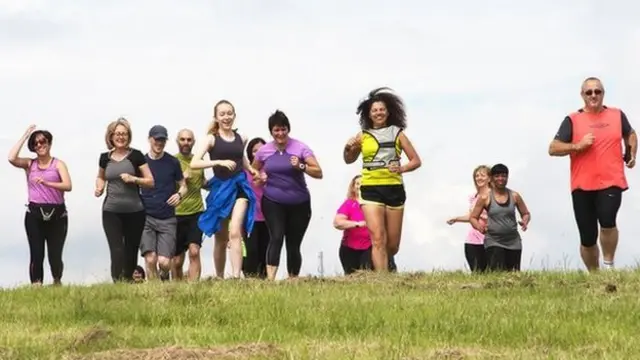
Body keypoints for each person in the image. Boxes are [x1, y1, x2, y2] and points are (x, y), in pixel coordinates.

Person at [548, 77, 636, 271]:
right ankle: (595, 276)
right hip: (582, 184)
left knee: (607, 219)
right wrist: (577, 146)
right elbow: (553, 148)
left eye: (598, 91)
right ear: (582, 95)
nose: (593, 95)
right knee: (587, 237)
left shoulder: (616, 115)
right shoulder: (572, 119)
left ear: (603, 93)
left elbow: (630, 133)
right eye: (589, 92)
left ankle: (609, 264)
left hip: (611, 180)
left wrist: (631, 153)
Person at [342, 87, 422, 272]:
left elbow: (416, 161)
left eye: (381, 109)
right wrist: (348, 147)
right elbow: (349, 159)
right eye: (374, 110)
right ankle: (382, 281)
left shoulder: (398, 133)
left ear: (388, 112)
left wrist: (401, 168)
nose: (378, 113)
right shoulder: (362, 135)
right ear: (369, 114)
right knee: (378, 238)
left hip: (394, 188)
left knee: (392, 245)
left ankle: (385, 265)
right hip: (370, 189)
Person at [251, 110, 323, 281]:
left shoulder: (300, 148)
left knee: (293, 243)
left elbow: (318, 172)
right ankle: (270, 279)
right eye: (276, 130)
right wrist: (259, 178)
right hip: (272, 201)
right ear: (271, 132)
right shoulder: (264, 151)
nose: (280, 133)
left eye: (283, 129)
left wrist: (301, 166)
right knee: (276, 237)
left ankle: (292, 279)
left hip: (299, 202)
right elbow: (254, 171)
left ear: (288, 129)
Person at [191, 100, 259, 279]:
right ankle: (220, 277)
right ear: (216, 117)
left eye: (229, 113)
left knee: (235, 231)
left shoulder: (241, 137)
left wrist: (250, 169)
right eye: (222, 114)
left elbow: (240, 157)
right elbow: (194, 162)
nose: (226, 117)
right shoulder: (211, 139)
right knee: (220, 239)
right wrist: (217, 162)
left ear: (234, 115)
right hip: (220, 189)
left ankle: (236, 276)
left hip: (240, 186)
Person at [8, 125, 72, 286]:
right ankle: (37, 285)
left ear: (49, 143)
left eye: (43, 141)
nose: (40, 145)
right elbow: (11, 158)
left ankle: (57, 280)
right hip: (34, 214)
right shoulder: (30, 164)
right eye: (35, 143)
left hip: (57, 214)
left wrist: (48, 183)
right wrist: (25, 136)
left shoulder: (58, 164)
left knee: (54, 255)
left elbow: (68, 185)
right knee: (37, 253)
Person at [96, 117, 154, 283]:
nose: (121, 137)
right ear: (111, 136)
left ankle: (128, 281)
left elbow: (151, 181)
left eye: (124, 134)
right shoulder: (104, 158)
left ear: (129, 136)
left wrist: (134, 179)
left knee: (131, 250)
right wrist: (99, 187)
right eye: (117, 134)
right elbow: (100, 177)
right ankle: (117, 283)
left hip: (135, 211)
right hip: (111, 210)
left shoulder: (136, 156)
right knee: (117, 249)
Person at [140, 125, 187, 281]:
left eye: (162, 140)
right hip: (146, 216)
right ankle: (153, 292)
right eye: (156, 139)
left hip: (167, 217)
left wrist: (179, 195)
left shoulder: (172, 162)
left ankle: (164, 276)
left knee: (164, 262)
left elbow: (183, 185)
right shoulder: (141, 162)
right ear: (149, 140)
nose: (159, 143)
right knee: (150, 259)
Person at [470, 164, 530, 272]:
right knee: (498, 273)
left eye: (503, 176)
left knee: (513, 274)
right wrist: (479, 227)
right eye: (497, 176)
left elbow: (525, 213)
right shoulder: (485, 197)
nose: (501, 179)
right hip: (494, 241)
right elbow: (473, 217)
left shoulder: (515, 195)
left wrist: (525, 222)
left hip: (513, 241)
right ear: (492, 178)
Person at [171, 129, 207, 281]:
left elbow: (203, 182)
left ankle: (194, 289)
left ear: (193, 142)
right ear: (177, 141)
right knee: (177, 260)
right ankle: (177, 289)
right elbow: (164, 186)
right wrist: (180, 179)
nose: (186, 143)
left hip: (197, 212)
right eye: (183, 139)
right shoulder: (171, 161)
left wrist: (219, 186)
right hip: (176, 213)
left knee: (194, 251)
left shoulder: (199, 161)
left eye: (189, 140)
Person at [446, 165, 491, 273]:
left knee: (491, 271)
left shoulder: (494, 196)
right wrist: (456, 219)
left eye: (482, 175)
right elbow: (472, 216)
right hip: (473, 239)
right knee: (476, 271)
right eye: (477, 176)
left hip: (490, 238)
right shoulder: (474, 197)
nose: (479, 178)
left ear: (489, 178)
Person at [242, 137, 270, 279]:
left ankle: (264, 283)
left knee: (265, 252)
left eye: (262, 150)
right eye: (254, 150)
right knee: (250, 251)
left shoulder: (273, 170)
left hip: (269, 218)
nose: (258, 153)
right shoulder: (244, 172)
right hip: (250, 219)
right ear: (250, 153)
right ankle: (250, 281)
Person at [333, 175, 372, 274]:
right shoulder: (349, 204)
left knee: (368, 276)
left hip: (369, 247)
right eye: (357, 184)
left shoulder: (374, 204)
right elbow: (337, 222)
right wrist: (358, 224)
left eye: (362, 184)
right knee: (352, 279)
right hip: (349, 248)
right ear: (353, 188)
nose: (359, 186)